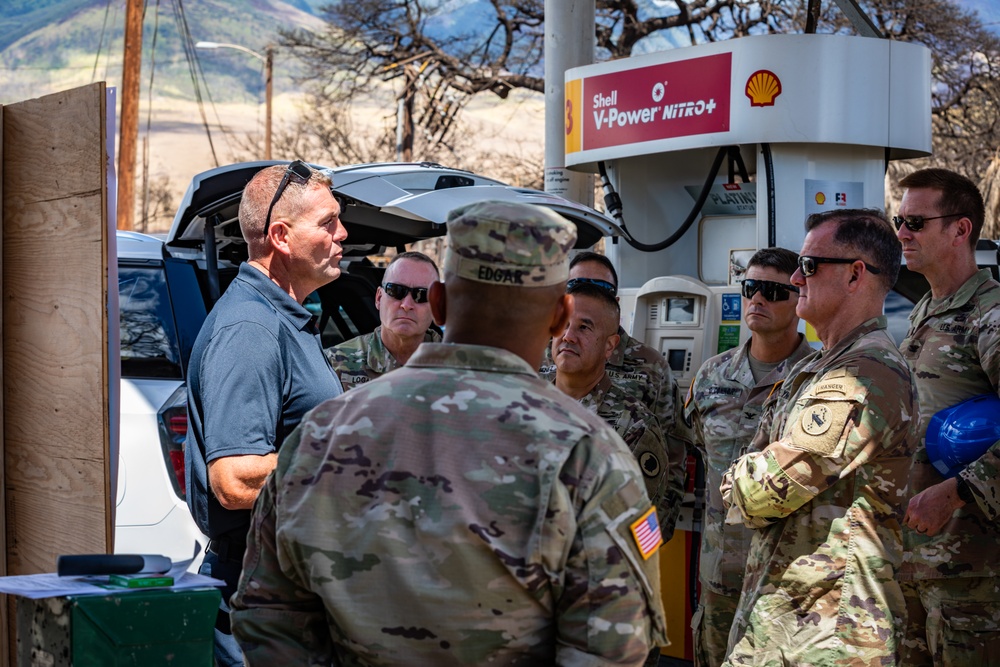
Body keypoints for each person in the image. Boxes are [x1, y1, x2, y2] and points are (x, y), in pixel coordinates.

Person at [229, 200, 669, 665]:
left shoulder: (322, 433)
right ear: (560, 316)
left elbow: (266, 612)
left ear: (437, 302)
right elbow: (615, 647)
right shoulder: (591, 454)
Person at [721, 209, 916, 666]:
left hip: (829, 638)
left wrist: (739, 481)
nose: (795, 277)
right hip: (786, 625)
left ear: (854, 275)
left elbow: (758, 492)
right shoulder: (817, 367)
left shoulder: (865, 373)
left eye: (809, 266)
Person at [185, 160, 347, 666]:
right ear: (280, 236)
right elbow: (233, 479)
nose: (342, 234)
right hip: (261, 607)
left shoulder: (282, 316)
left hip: (288, 593)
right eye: (327, 223)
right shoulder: (252, 329)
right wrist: (353, 464)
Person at [679, 247, 813, 667]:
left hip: (785, 584)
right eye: (751, 287)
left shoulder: (818, 377)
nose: (757, 299)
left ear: (799, 298)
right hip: (719, 575)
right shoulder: (711, 375)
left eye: (773, 291)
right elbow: (695, 443)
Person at [893, 168, 1000, 665]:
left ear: (960, 230)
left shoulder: (990, 315)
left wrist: (958, 491)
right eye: (899, 220)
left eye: (916, 221)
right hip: (918, 564)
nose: (902, 234)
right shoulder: (925, 310)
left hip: (974, 578)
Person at [541, 251, 685, 540]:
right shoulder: (523, 396)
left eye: (584, 327)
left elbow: (647, 520)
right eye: (565, 324)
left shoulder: (635, 425)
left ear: (610, 346)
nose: (569, 336)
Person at [326, 251, 441, 390]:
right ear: (379, 298)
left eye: (421, 295)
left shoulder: (460, 365)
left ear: (436, 305)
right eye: (396, 291)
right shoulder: (334, 363)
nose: (406, 305)